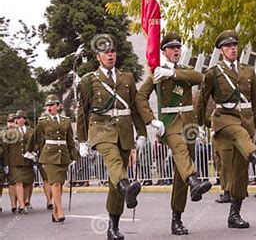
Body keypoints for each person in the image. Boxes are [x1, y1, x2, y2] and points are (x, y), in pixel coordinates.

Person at [197, 30, 256, 229]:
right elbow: (202, 100)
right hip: (224, 119)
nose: (232, 49)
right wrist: (201, 124)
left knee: (240, 171)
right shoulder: (213, 73)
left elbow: (255, 102)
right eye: (227, 46)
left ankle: (234, 214)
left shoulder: (248, 71)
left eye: (234, 45)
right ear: (221, 50)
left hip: (246, 121)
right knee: (238, 135)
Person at [135, 31, 212, 235]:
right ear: (164, 51)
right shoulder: (156, 73)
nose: (176, 50)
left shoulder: (184, 71)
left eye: (178, 47)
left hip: (189, 124)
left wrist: (174, 73)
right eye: (172, 48)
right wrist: (152, 120)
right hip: (169, 124)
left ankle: (176, 217)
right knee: (179, 150)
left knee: (180, 173)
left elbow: (200, 77)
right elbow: (140, 98)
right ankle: (194, 179)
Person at [77, 34, 147, 240]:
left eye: (112, 51)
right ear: (98, 56)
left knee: (114, 181)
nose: (110, 55)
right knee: (114, 161)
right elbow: (82, 111)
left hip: (124, 132)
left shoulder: (127, 78)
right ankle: (127, 187)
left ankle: (113, 227)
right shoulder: (89, 80)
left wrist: (141, 132)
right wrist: (82, 141)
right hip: (101, 131)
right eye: (105, 52)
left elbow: (134, 108)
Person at [25, 94, 77, 222]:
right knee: (54, 182)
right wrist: (29, 150)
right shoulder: (43, 121)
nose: (49, 107)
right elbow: (34, 136)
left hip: (63, 154)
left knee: (60, 183)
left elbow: (70, 139)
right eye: (47, 105)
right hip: (49, 155)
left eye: (52, 105)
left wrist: (73, 155)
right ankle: (59, 210)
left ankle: (55, 212)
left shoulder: (66, 120)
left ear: (58, 106)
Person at [3, 110, 35, 214]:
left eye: (19, 118)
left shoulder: (31, 131)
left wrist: (33, 152)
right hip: (14, 161)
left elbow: (37, 143)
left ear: (24, 119)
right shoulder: (11, 132)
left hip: (27, 161)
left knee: (27, 183)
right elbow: (6, 148)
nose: (17, 120)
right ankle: (21, 205)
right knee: (18, 183)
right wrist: (6, 163)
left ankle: (24, 202)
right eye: (16, 118)